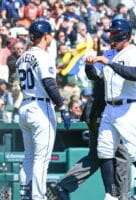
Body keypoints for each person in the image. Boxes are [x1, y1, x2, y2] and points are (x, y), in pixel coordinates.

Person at [84, 18, 136, 200]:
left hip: (130, 107)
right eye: (111, 32)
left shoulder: (135, 52)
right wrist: (88, 65)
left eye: (114, 32)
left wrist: (108, 62)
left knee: (134, 151)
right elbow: (95, 77)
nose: (111, 35)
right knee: (104, 150)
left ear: (124, 34)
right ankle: (111, 194)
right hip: (110, 107)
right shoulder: (109, 53)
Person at [49, 38, 131, 200]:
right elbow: (93, 74)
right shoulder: (110, 60)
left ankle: (62, 186)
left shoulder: (111, 59)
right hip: (104, 114)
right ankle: (123, 196)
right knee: (122, 155)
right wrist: (90, 64)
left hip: (96, 112)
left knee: (95, 156)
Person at [15, 20, 71, 200]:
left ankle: (25, 195)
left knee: (29, 157)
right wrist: (62, 106)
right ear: (46, 35)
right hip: (40, 107)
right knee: (41, 159)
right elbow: (49, 83)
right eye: (50, 34)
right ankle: (38, 197)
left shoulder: (21, 58)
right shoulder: (43, 55)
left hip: (25, 106)